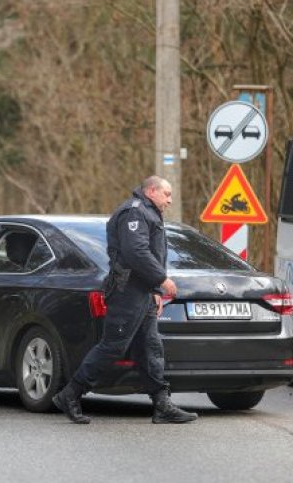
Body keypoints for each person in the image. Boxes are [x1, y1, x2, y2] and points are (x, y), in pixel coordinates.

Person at [53, 176, 197, 424]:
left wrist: (154, 289)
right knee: (113, 346)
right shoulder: (134, 213)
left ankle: (162, 404)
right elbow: (136, 252)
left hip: (143, 292)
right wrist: (162, 280)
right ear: (151, 191)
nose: (170, 200)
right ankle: (70, 394)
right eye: (167, 194)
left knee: (150, 348)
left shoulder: (148, 213)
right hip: (127, 292)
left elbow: (146, 254)